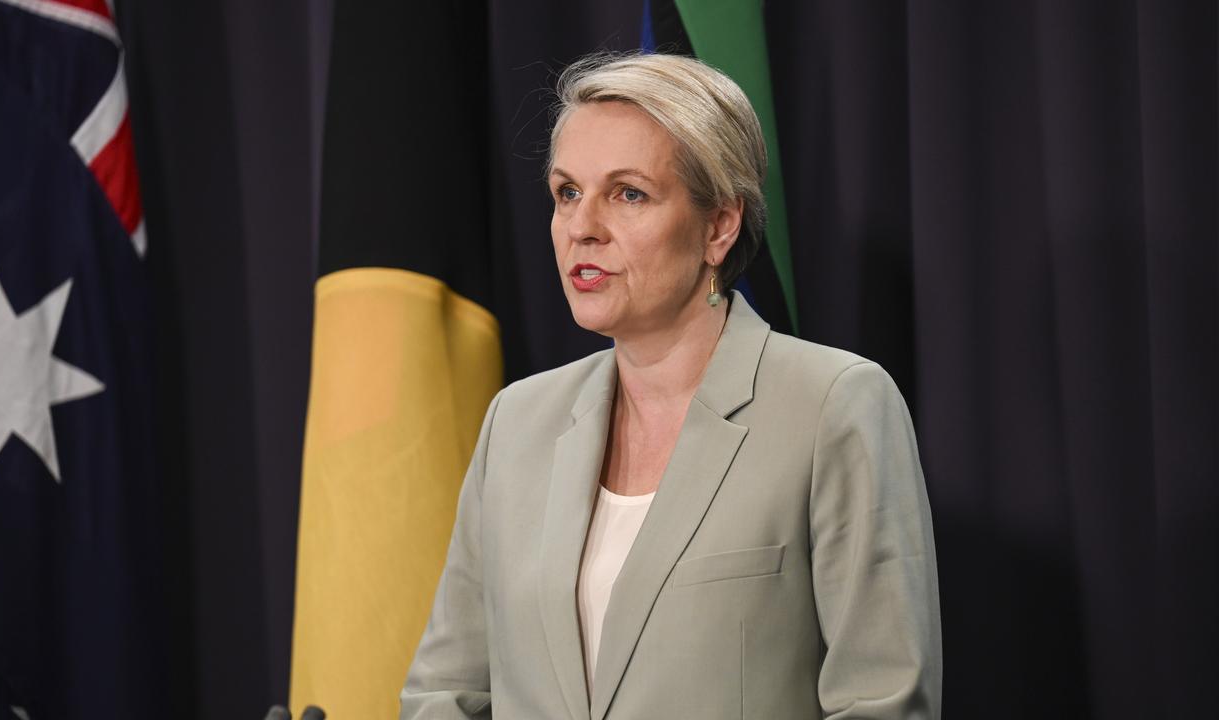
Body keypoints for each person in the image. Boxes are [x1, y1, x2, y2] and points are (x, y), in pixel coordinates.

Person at [400, 52, 941, 719]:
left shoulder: (831, 405)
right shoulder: (517, 421)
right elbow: (444, 694)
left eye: (628, 194)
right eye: (567, 192)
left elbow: (881, 702)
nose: (582, 227)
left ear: (719, 226)